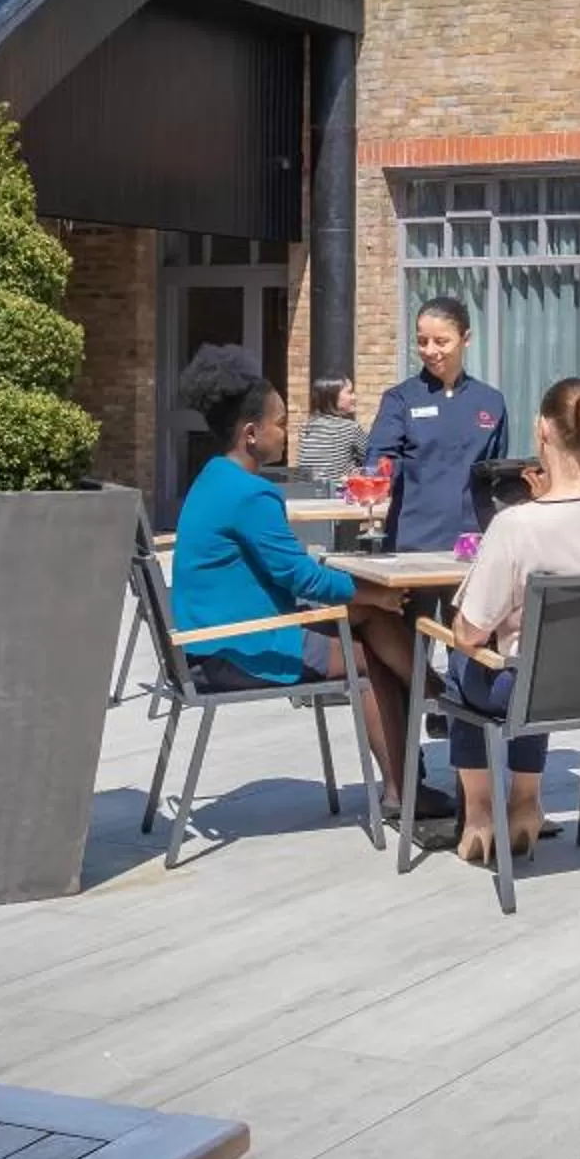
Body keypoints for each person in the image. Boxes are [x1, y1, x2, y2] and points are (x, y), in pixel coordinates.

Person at [169, 345, 438, 821]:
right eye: (280, 422)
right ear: (251, 434)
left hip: (221, 636)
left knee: (370, 619)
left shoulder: (213, 477)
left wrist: (370, 600)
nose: (287, 431)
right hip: (233, 648)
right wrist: (377, 591)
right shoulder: (249, 494)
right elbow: (301, 576)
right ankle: (408, 775)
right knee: (369, 653)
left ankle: (432, 700)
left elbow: (293, 574)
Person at [441, 378, 580, 863]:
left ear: (542, 429)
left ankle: (481, 816)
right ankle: (527, 803)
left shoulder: (518, 525)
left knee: (467, 660)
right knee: (539, 659)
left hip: (535, 688)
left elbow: (469, 633)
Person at [366, 297, 511, 554]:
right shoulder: (400, 399)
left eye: (441, 341)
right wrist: (378, 476)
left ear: (465, 338)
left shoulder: (491, 401)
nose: (430, 351)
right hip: (413, 541)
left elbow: (496, 472)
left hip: (474, 542)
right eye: (422, 341)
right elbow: (381, 459)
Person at [294, 378, 365, 487]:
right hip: (338, 495)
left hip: (306, 493)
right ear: (332, 397)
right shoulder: (350, 428)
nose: (354, 397)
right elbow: (371, 458)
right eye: (349, 392)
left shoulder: (307, 427)